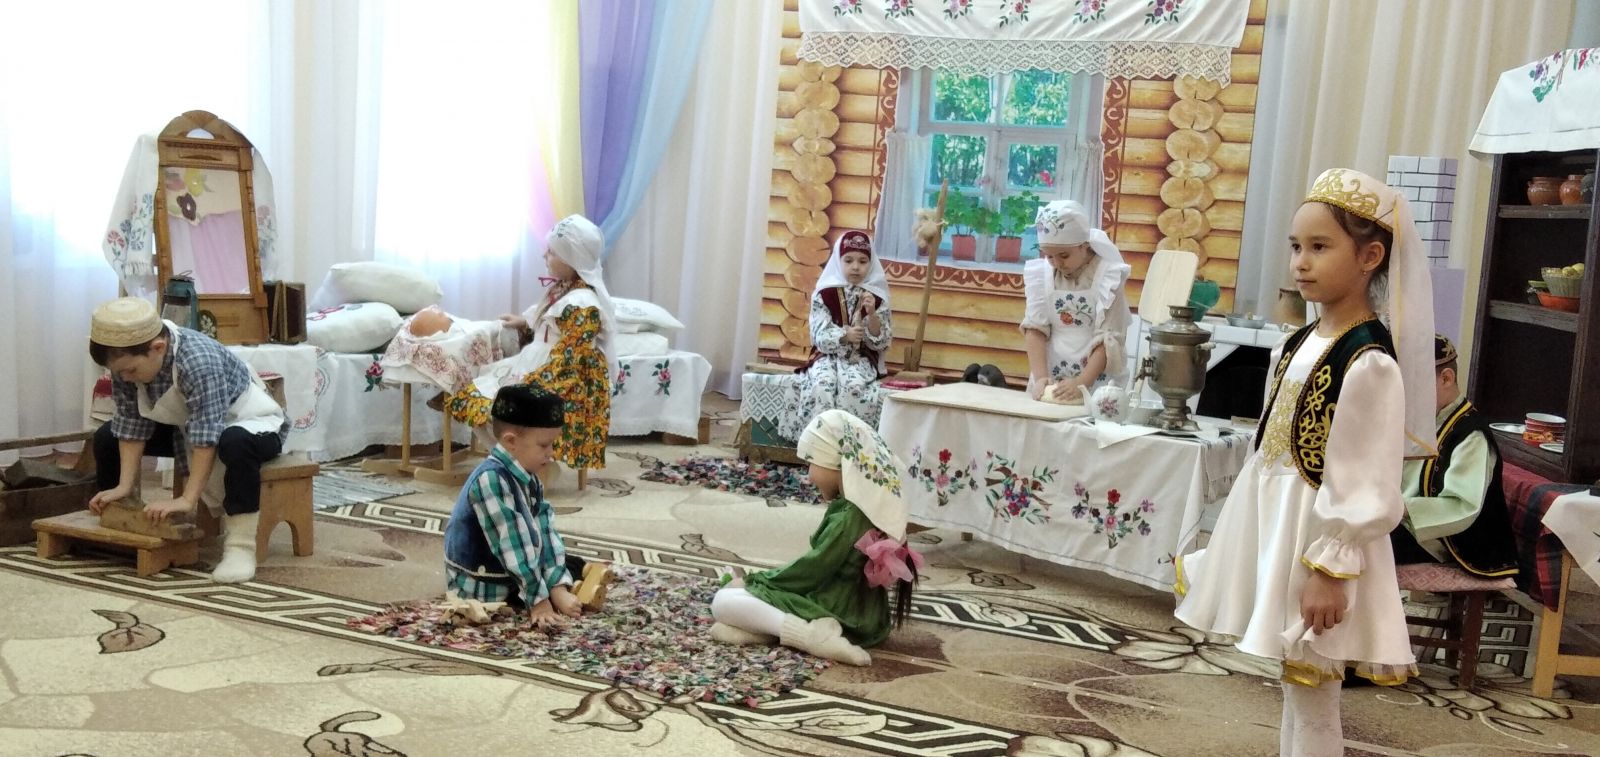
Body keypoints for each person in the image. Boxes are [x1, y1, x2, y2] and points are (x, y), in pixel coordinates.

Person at [1173, 168, 1438, 757]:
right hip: (1276, 524)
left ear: (1370, 256)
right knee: (1294, 685)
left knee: (1316, 691)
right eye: (1296, 246)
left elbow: (1367, 476)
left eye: (1320, 247)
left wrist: (1330, 569)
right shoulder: (1296, 342)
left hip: (1320, 539)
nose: (1301, 262)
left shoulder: (1369, 362)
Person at [86, 297, 287, 584]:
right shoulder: (126, 364)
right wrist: (123, 486)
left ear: (158, 348)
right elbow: (131, 424)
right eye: (120, 373)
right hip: (188, 426)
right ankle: (125, 518)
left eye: (130, 371)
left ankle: (240, 548)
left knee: (233, 443)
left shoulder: (198, 360)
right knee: (107, 436)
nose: (126, 378)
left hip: (251, 423)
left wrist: (187, 499)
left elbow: (206, 436)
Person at [708, 409, 922, 665]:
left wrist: (755, 582)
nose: (808, 475)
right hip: (865, 616)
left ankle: (810, 636)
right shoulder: (869, 508)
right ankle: (768, 631)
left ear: (839, 464)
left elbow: (810, 570)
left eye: (811, 463)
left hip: (838, 611)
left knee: (723, 602)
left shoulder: (849, 518)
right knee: (741, 601)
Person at [446, 215, 616, 473]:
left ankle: (526, 461)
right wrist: (525, 322)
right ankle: (513, 458)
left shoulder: (582, 303)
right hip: (538, 363)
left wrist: (534, 382)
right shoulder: (565, 289)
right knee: (474, 396)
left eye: (553, 252)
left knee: (496, 405)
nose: (544, 255)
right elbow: (551, 324)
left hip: (560, 376)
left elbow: (571, 355)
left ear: (572, 259)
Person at [444, 384, 610, 631]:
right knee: (547, 568)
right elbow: (513, 547)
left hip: (511, 563)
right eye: (544, 445)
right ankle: (556, 589)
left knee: (567, 561)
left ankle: (560, 587)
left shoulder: (528, 476)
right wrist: (540, 603)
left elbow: (545, 530)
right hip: (483, 583)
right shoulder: (491, 480)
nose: (551, 453)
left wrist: (556, 586)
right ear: (511, 441)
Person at [1390, 335, 1519, 576]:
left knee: (1362, 546)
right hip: (1408, 523)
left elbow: (1462, 506)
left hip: (1451, 542)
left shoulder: (1471, 435)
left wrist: (1397, 508)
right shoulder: (1424, 421)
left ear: (1446, 378)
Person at [780, 230, 894, 441]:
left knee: (853, 388)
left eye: (862, 261)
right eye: (848, 260)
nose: (855, 267)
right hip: (827, 357)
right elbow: (818, 334)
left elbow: (882, 341)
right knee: (822, 385)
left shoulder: (877, 297)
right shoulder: (825, 293)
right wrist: (844, 335)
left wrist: (872, 315)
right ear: (838, 261)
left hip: (859, 360)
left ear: (871, 264)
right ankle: (817, 443)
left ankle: (851, 444)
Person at [1020, 200, 1133, 401]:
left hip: (1095, 380)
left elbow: (1108, 339)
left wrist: (1082, 381)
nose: (1056, 263)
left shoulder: (1108, 277)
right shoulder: (1042, 276)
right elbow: (1035, 329)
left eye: (1064, 255)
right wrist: (1041, 377)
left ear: (1084, 246)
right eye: (1049, 256)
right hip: (1051, 377)